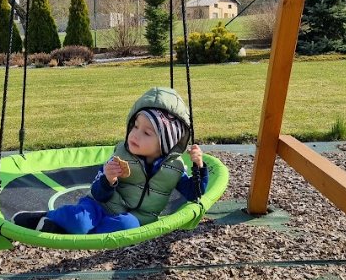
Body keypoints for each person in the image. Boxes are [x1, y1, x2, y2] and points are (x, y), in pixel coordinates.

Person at [12, 86, 208, 234]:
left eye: (146, 133)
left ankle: (66, 229)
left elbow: (194, 193)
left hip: (133, 218)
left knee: (127, 226)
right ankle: (47, 217)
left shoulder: (174, 169)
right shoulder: (120, 156)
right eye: (135, 126)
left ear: (166, 144)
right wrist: (108, 179)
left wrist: (199, 167)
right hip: (100, 205)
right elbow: (98, 192)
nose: (135, 134)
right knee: (80, 220)